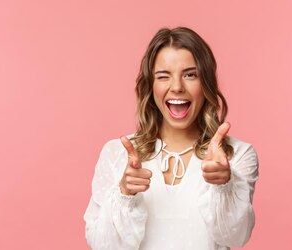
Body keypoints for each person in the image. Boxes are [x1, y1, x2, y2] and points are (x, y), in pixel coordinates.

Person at [84, 27, 259, 250]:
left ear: (205, 84)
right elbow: (102, 245)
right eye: (163, 76)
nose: (177, 87)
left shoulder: (236, 154)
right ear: (150, 86)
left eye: (190, 75)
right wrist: (124, 194)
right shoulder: (116, 153)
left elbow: (235, 238)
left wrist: (224, 186)